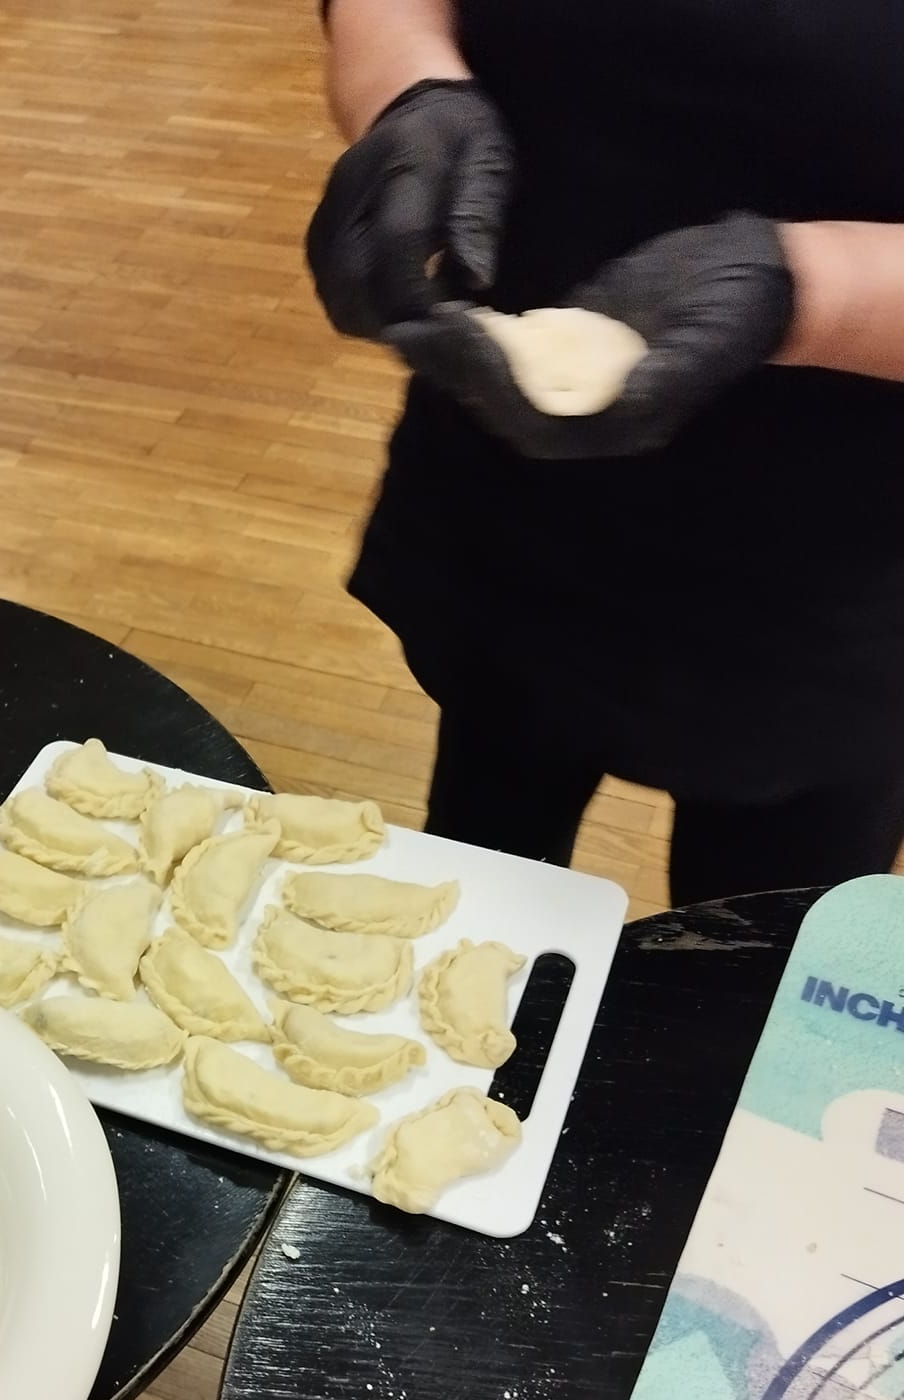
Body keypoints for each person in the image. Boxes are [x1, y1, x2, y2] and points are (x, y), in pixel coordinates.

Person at [305, 0, 904, 904]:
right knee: (480, 888)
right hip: (507, 484)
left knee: (751, 953)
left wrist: (820, 290)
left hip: (837, 564)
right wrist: (409, 89)